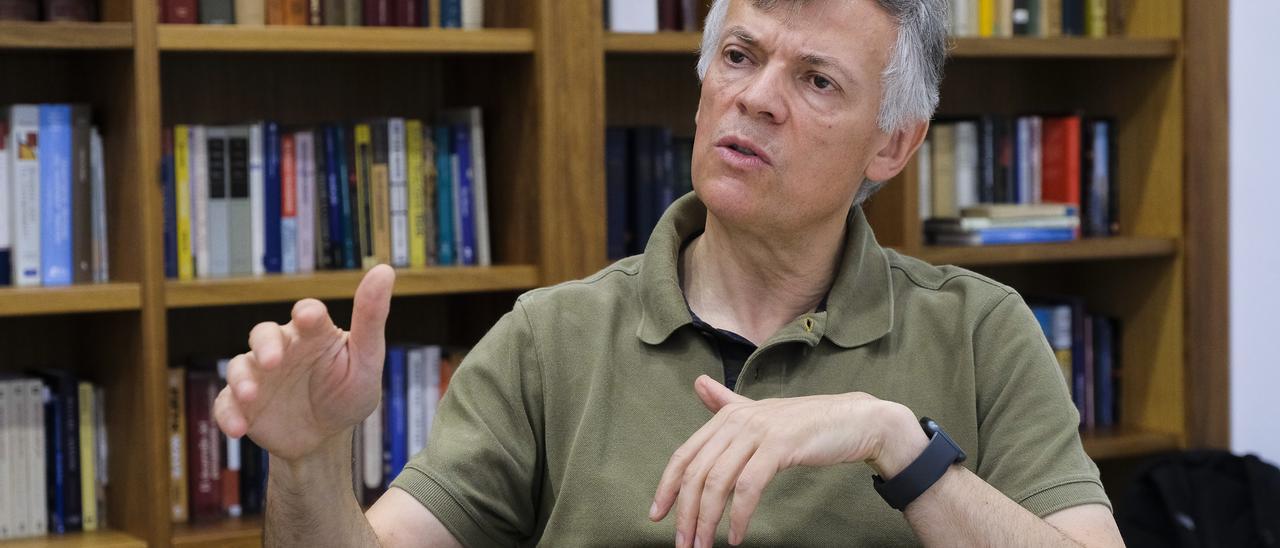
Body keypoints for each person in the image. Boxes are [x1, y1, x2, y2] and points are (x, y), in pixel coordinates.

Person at [213, 0, 1127, 545]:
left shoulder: (981, 331)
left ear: (892, 143)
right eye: (739, 55)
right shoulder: (551, 336)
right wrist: (309, 462)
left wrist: (896, 441)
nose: (757, 97)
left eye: (816, 82)